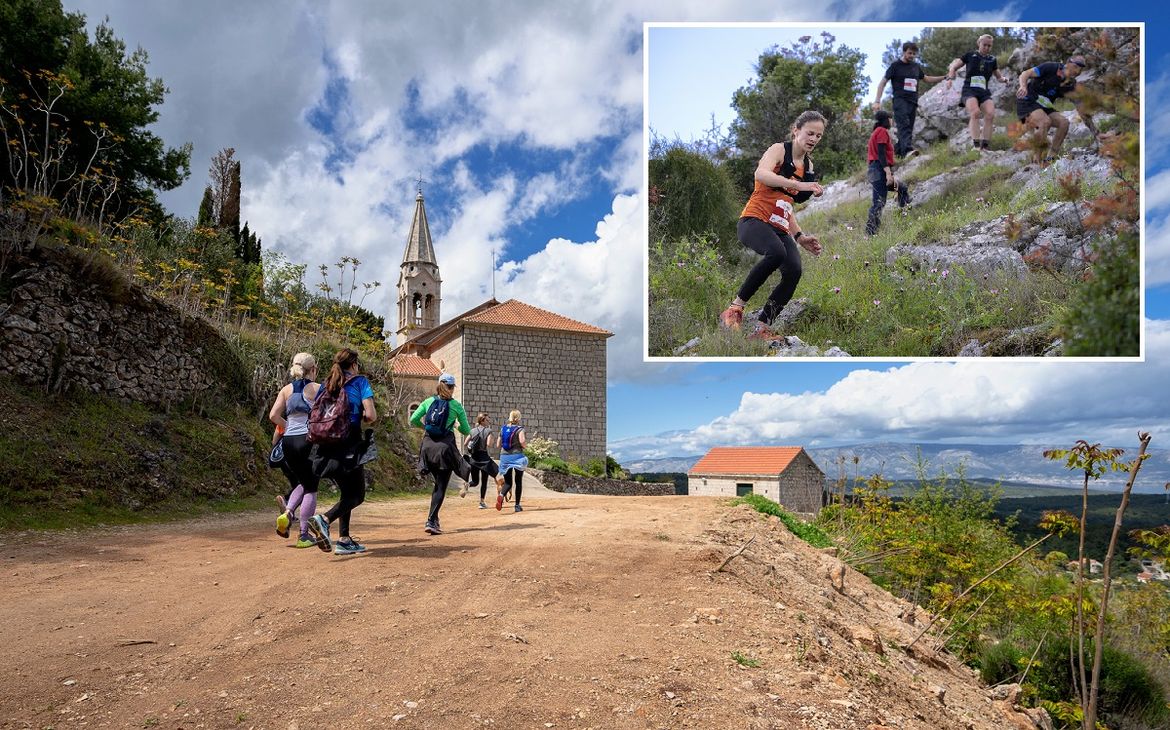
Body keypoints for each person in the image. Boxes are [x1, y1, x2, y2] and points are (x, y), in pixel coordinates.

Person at [718, 110, 826, 340]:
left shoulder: (808, 167)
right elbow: (762, 174)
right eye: (810, 133)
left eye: (818, 136)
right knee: (776, 252)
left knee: (794, 270)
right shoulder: (779, 150)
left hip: (779, 226)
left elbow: (787, 204)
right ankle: (734, 310)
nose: (814, 139)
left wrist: (800, 237)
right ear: (796, 131)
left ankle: (762, 328)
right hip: (753, 220)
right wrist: (801, 186)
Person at [305, 348, 377, 556]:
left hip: (324, 444)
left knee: (347, 492)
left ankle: (344, 539)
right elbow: (371, 414)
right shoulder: (360, 382)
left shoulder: (326, 383)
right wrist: (361, 416)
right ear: (354, 364)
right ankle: (324, 519)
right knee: (358, 495)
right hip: (348, 442)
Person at [268, 353, 322, 548]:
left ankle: (288, 513)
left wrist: (288, 426)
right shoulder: (317, 388)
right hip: (308, 440)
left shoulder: (286, 389)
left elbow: (273, 415)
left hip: (288, 441)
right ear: (313, 369)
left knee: (303, 481)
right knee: (312, 488)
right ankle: (304, 535)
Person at [409, 373, 472, 534]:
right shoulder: (456, 406)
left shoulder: (428, 401)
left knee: (437, 485)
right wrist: (456, 425)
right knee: (441, 486)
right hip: (445, 449)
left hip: (427, 447)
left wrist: (426, 429)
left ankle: (434, 519)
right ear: (451, 388)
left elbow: (413, 419)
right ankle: (431, 520)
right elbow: (466, 430)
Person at [1015, 54, 1097, 164]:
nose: (1078, 71)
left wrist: (1095, 131)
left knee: (1064, 123)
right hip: (1028, 100)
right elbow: (1025, 74)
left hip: (1044, 106)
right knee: (1045, 121)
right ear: (1068, 63)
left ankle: (1051, 158)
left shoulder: (1070, 85)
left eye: (1081, 69)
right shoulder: (1051, 67)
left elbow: (1081, 109)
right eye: (1076, 67)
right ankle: (1036, 160)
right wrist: (1023, 86)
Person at [872, 42, 946, 158]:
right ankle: (907, 150)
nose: (912, 55)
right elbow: (882, 83)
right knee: (904, 125)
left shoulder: (915, 67)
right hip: (900, 101)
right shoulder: (895, 66)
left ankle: (897, 154)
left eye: (914, 54)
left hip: (913, 102)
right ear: (904, 52)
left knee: (908, 129)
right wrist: (877, 101)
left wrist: (944, 78)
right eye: (909, 53)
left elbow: (926, 78)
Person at [946, 34, 1007, 151]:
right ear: (979, 43)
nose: (987, 48)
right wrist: (950, 78)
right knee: (975, 113)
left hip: (984, 92)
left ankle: (985, 146)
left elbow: (999, 77)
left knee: (990, 114)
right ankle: (976, 145)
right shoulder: (970, 55)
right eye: (985, 45)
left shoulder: (992, 60)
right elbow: (954, 67)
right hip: (969, 90)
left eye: (989, 46)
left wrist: (1004, 80)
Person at [865, 110, 910, 236]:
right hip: (880, 169)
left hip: (875, 169)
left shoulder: (876, 132)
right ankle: (870, 234)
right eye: (890, 118)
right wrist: (888, 173)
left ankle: (904, 214)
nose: (892, 121)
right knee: (879, 202)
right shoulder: (882, 131)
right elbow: (881, 153)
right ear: (886, 119)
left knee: (901, 188)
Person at [463, 413, 505, 509]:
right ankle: (481, 502)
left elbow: (465, 443)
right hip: (484, 458)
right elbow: (489, 444)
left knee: (475, 481)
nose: (488, 421)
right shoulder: (488, 431)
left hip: (474, 458)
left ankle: (468, 484)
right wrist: (492, 439)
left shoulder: (472, 431)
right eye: (487, 420)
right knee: (484, 481)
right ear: (482, 421)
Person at [496, 410, 528, 512]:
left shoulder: (503, 429)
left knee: (508, 482)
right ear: (518, 418)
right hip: (517, 456)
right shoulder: (520, 429)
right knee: (518, 481)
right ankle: (517, 505)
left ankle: (501, 495)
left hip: (504, 456)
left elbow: (498, 444)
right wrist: (525, 447)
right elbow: (522, 441)